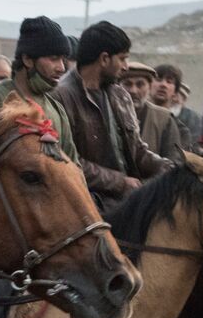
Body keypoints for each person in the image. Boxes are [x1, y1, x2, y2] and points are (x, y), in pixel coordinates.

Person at [54, 21, 171, 212]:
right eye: (123, 59)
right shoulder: (60, 97)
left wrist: (169, 167)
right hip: (85, 206)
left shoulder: (120, 95)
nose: (125, 67)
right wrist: (120, 182)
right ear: (104, 59)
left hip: (126, 201)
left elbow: (137, 151)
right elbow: (65, 160)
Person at [0, 16, 77, 161]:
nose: (61, 68)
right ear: (27, 59)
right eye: (53, 59)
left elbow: (72, 166)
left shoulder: (57, 112)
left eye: (63, 60)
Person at [121, 60, 184, 163]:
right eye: (128, 84)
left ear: (149, 87)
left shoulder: (164, 119)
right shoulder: (107, 112)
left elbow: (172, 162)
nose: (133, 90)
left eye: (140, 85)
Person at [152, 64, 200, 151]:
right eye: (158, 80)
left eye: (169, 82)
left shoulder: (182, 131)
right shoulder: (136, 118)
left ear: (175, 93)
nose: (163, 84)